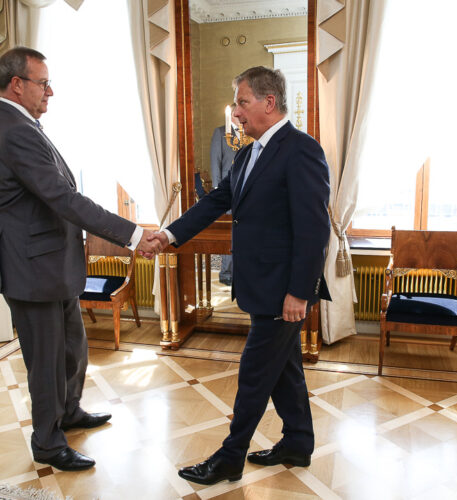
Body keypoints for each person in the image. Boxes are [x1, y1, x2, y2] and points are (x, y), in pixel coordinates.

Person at [150, 66, 331, 485]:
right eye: (235, 104)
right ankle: (298, 442)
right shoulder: (249, 153)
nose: (235, 113)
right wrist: (169, 234)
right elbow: (217, 200)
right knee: (284, 369)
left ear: (269, 103)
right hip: (260, 287)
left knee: (254, 375)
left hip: (283, 291)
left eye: (241, 102)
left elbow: (313, 229)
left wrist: (299, 293)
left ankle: (231, 457)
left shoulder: (301, 149)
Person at [0, 47, 160, 472]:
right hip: (31, 267)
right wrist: (133, 235)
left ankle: (70, 412)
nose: (50, 91)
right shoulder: (13, 130)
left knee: (72, 348)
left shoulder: (26, 125)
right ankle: (47, 442)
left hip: (51, 264)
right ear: (17, 85)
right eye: (43, 83)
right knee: (45, 361)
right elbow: (63, 198)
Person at [209, 104, 239, 286]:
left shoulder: (250, 133)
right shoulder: (220, 133)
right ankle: (226, 273)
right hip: (226, 190)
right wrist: (218, 191)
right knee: (228, 233)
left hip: (246, 191)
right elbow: (215, 162)